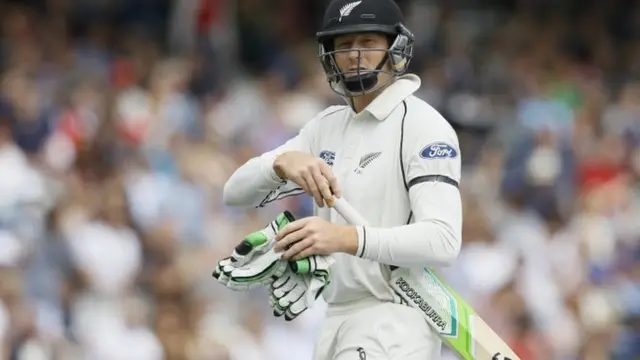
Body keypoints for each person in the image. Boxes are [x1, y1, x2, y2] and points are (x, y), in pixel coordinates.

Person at [222, 0, 463, 358]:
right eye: (344, 44)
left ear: (395, 47)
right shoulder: (326, 126)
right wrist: (281, 164)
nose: (354, 55)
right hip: (335, 316)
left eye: (367, 42)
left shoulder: (422, 126)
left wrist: (345, 238)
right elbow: (233, 193)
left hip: (395, 318)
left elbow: (443, 241)